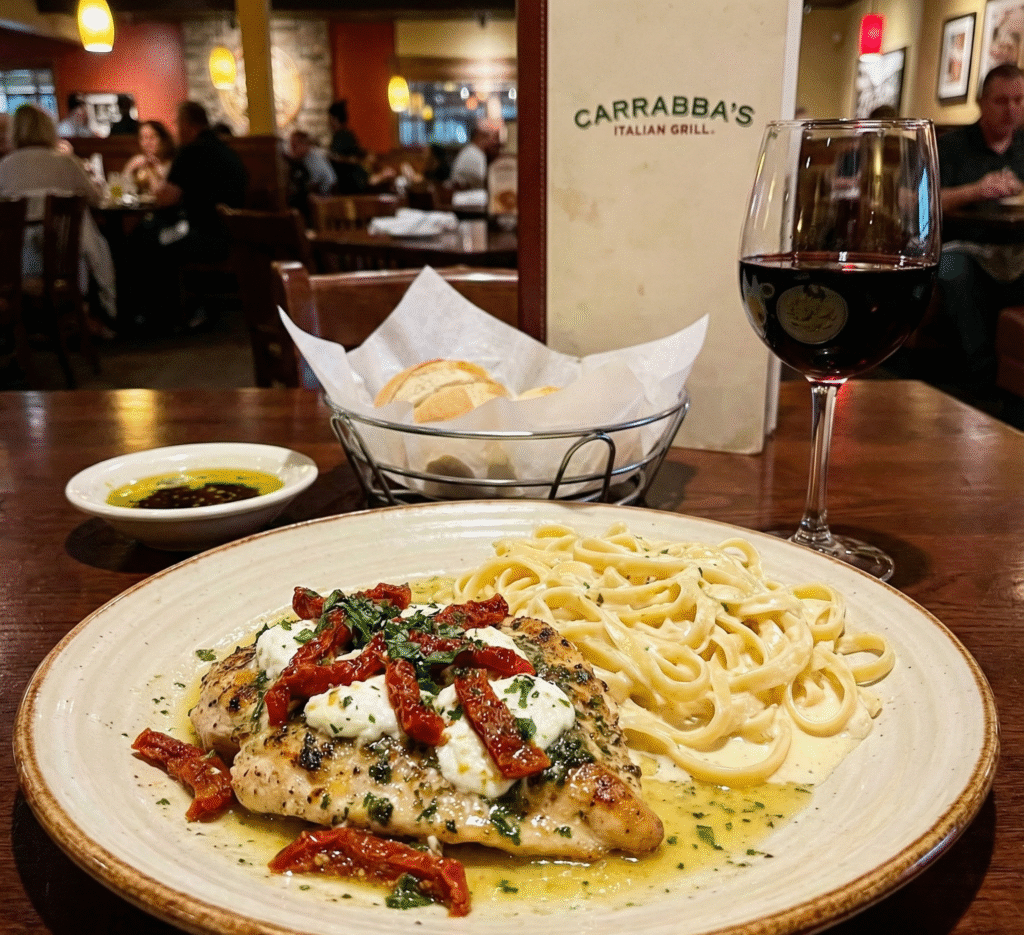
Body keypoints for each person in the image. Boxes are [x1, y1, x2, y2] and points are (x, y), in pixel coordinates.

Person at [937, 63, 1024, 380]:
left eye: (1019, 100)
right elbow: (924, 201)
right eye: (1002, 101)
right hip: (964, 245)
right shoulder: (952, 146)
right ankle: (981, 374)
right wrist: (977, 189)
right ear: (982, 103)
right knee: (951, 269)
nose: (1011, 110)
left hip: (1015, 249)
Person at [0, 103, 115, 333]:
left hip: (18, 266)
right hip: (68, 264)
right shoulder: (65, 162)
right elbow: (96, 198)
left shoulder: (5, 168)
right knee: (95, 241)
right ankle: (86, 315)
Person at [122, 120, 175, 196]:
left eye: (152, 137)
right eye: (142, 138)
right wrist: (130, 169)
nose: (146, 143)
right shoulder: (138, 160)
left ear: (163, 139)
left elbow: (161, 195)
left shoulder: (172, 163)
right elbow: (121, 190)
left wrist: (153, 168)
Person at [326, 99, 368, 194]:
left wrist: (330, 157)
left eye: (330, 118)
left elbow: (353, 158)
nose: (328, 122)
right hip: (352, 182)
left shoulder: (343, 136)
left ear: (335, 119)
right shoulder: (346, 134)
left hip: (351, 183)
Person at [449, 121, 501, 189]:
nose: (492, 142)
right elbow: (482, 181)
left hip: (465, 194)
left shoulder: (471, 150)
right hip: (466, 196)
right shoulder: (474, 153)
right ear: (480, 136)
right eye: (490, 138)